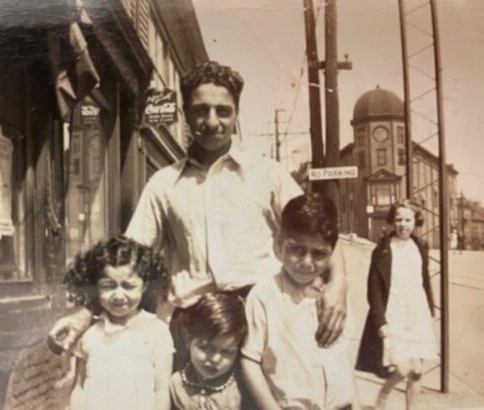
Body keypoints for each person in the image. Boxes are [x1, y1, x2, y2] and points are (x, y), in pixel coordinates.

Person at [48, 61, 348, 367]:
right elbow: (128, 257)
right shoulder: (164, 184)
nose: (212, 121)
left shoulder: (267, 174)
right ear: (186, 114)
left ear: (236, 113)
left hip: (261, 320)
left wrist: (339, 284)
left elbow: (318, 231)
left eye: (223, 110)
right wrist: (86, 312)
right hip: (193, 327)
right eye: (200, 110)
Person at [241, 193, 357, 410]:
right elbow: (250, 361)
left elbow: (344, 359)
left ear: (331, 253)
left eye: (319, 253)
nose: (306, 262)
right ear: (278, 245)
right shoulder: (264, 295)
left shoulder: (333, 299)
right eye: (296, 249)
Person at [64, 236, 173, 410]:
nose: (118, 295)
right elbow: (79, 386)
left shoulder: (156, 331)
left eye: (129, 286)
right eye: (108, 286)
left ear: (145, 286)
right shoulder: (89, 331)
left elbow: (161, 392)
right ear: (95, 286)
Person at [355, 200, 437, 410]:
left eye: (408, 220)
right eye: (399, 219)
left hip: (417, 312)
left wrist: (430, 308)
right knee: (401, 368)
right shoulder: (382, 250)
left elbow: (424, 280)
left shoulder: (420, 246)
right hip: (394, 312)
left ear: (415, 221)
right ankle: (383, 396)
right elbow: (373, 290)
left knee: (417, 369)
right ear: (392, 221)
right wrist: (380, 321)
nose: (403, 225)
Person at [170, 292, 255, 410]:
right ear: (188, 339)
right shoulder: (176, 384)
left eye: (227, 352)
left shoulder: (242, 387)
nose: (215, 359)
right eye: (205, 347)